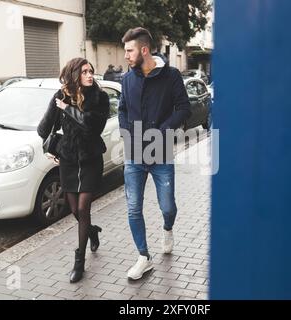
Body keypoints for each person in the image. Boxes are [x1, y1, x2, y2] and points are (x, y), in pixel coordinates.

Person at [118, 27, 191, 280]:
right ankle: (143, 257)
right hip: (134, 155)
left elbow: (184, 109)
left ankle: (168, 228)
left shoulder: (171, 76)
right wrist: (127, 133)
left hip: (161, 154)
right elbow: (122, 110)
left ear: (144, 50)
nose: (125, 55)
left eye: (129, 50)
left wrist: (162, 130)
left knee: (167, 206)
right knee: (133, 208)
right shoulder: (127, 80)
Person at [37, 58, 109, 283]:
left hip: (90, 159)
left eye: (91, 71)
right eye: (85, 72)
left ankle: (79, 263)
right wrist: (56, 103)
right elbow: (43, 129)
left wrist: (67, 109)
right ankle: (92, 231)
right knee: (76, 212)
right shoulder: (61, 96)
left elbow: (93, 127)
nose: (90, 75)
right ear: (74, 74)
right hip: (68, 159)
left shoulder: (100, 98)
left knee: (83, 208)